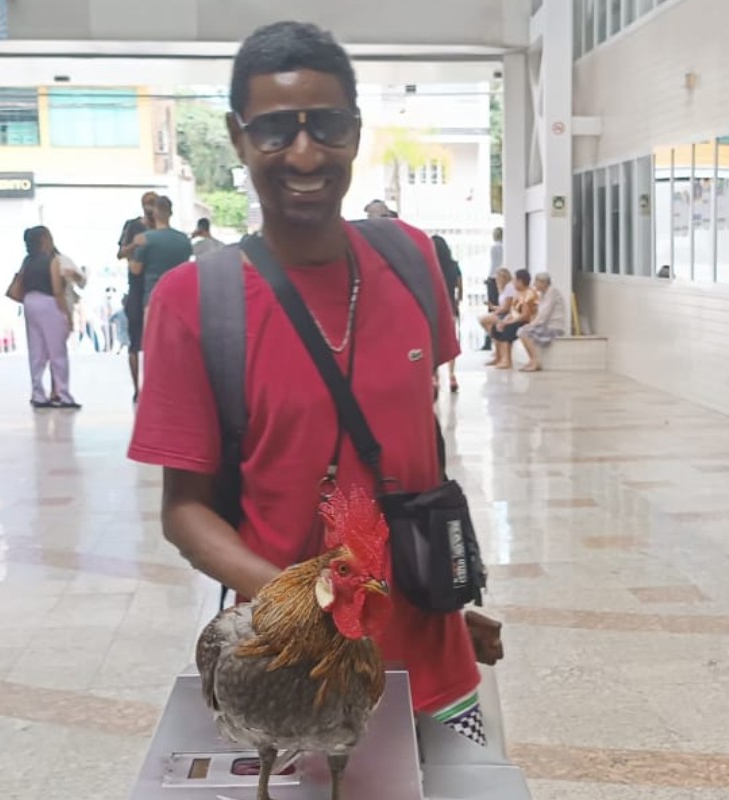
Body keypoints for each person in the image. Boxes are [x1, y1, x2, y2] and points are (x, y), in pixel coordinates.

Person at [128, 21, 489, 744]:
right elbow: (184, 511)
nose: (303, 153)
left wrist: (440, 579)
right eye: (274, 131)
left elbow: (417, 444)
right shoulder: (194, 301)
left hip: (437, 673)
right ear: (238, 137)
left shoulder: (413, 260)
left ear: (355, 132)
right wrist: (303, 601)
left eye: (326, 125)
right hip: (292, 685)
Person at [20, 227, 80, 409]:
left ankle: (38, 394)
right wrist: (67, 316)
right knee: (57, 352)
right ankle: (63, 395)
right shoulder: (52, 261)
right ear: (44, 239)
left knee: (36, 352)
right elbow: (57, 290)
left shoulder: (26, 262)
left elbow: (21, 284)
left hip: (30, 302)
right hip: (48, 304)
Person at [118, 191, 157, 402]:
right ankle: (137, 388)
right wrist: (135, 244)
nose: (149, 207)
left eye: (152, 203)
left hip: (154, 287)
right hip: (136, 285)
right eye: (146, 203)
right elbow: (120, 252)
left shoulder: (162, 229)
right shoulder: (133, 226)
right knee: (135, 341)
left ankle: (153, 385)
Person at [132, 196, 193, 308]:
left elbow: (135, 270)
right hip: (179, 297)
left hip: (154, 296)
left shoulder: (145, 239)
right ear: (170, 213)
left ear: (154, 214)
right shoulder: (184, 239)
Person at [517, 272, 567, 372]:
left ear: (543, 282)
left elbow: (544, 315)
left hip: (554, 327)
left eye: (536, 282)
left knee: (524, 332)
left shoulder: (552, 292)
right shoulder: (543, 294)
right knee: (522, 331)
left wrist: (531, 325)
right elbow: (540, 314)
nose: (534, 285)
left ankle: (535, 361)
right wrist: (531, 324)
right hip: (546, 325)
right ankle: (532, 360)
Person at [489, 269, 537, 370]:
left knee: (507, 328)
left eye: (515, 280)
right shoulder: (518, 293)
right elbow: (512, 311)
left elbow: (525, 315)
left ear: (520, 281)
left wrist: (509, 322)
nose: (513, 283)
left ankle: (507, 360)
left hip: (526, 321)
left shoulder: (529, 294)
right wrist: (504, 320)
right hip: (516, 319)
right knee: (495, 327)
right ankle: (500, 357)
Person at [432, 234, 462, 393]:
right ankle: (452, 376)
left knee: (434, 342)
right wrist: (457, 303)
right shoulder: (454, 265)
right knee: (450, 339)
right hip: (450, 305)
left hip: (433, 307)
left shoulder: (430, 265)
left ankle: (435, 377)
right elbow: (459, 287)